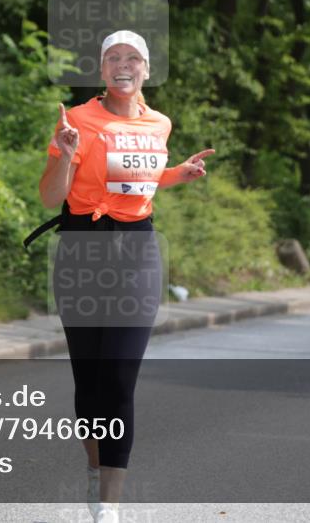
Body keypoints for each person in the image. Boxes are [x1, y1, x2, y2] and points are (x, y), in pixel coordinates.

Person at [37, 30, 214, 523]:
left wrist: (179, 172)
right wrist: (67, 155)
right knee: (89, 381)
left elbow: (142, 178)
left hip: (137, 250)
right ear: (100, 70)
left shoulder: (161, 123)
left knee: (118, 378)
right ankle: (95, 477)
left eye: (132, 58)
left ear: (147, 70)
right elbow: (51, 197)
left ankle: (108, 507)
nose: (123, 64)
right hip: (81, 250)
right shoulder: (76, 120)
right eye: (113, 57)